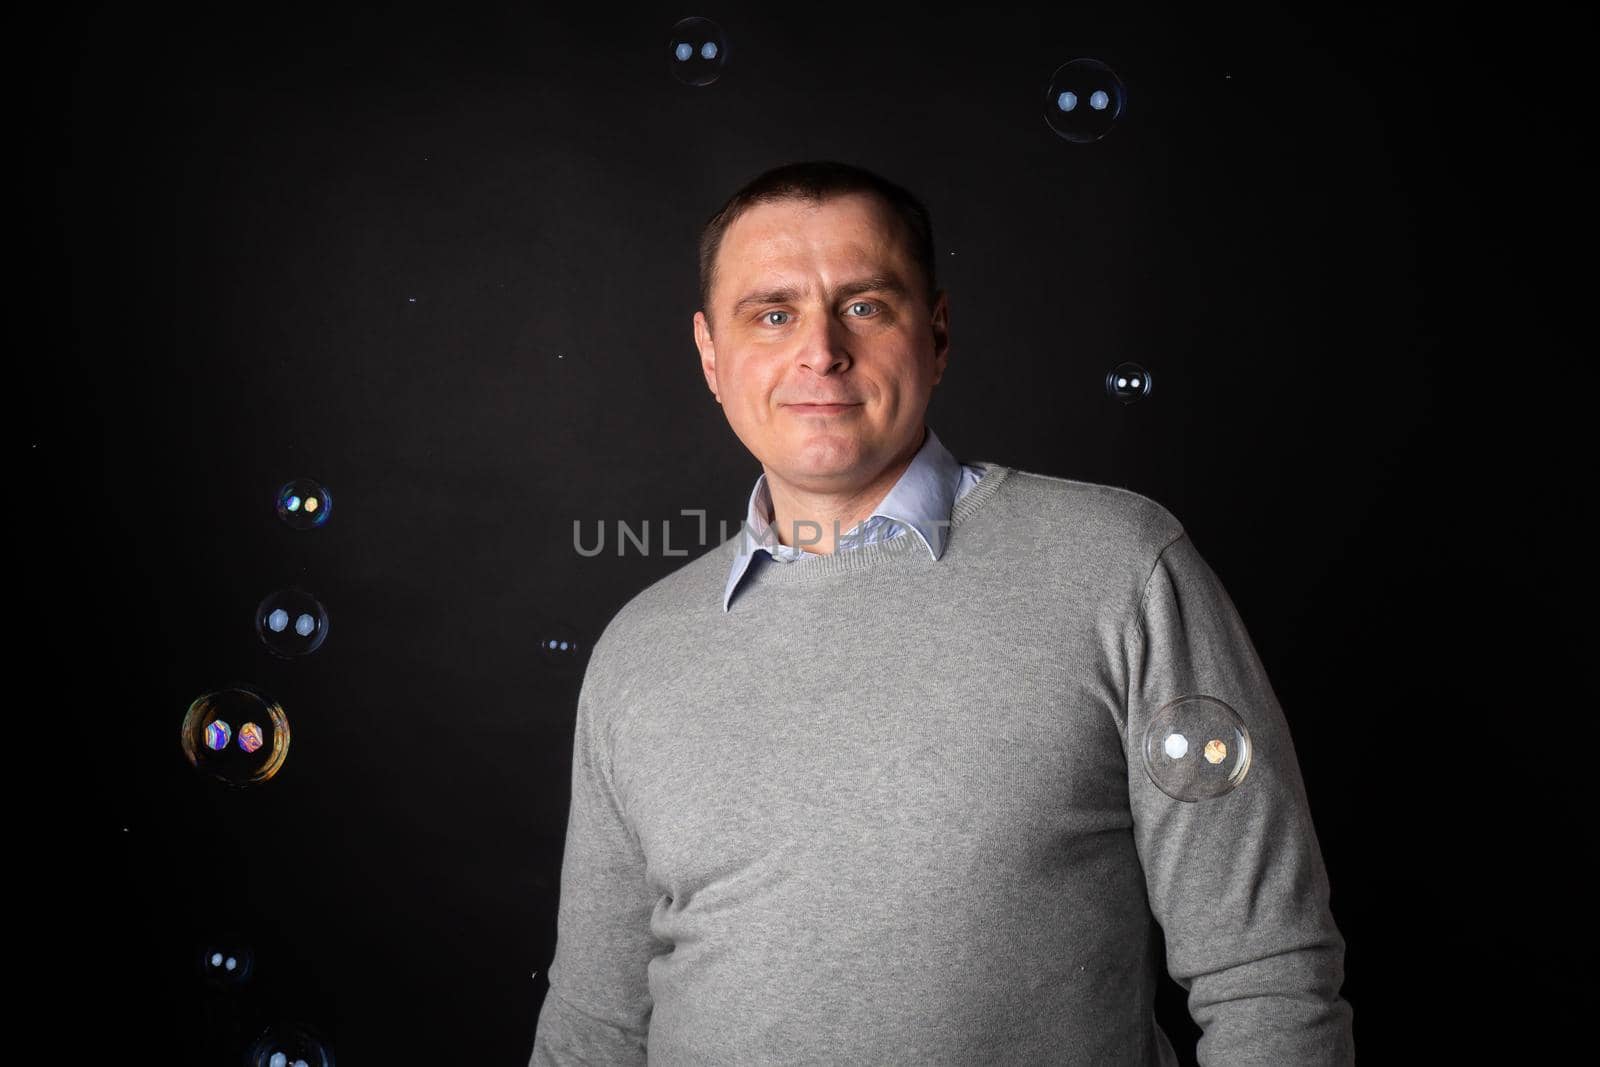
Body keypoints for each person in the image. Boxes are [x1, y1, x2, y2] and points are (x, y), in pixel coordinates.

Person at [530, 160, 1354, 1065]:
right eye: (772, 314)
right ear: (711, 357)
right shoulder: (639, 648)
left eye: (865, 306)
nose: (819, 351)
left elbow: (1268, 977)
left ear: (940, 332)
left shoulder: (1118, 568)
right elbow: (593, 1027)